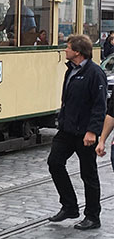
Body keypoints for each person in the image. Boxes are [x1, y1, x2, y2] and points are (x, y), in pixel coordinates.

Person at [47, 34, 106, 231]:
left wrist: (92, 131)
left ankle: (92, 216)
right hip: (67, 130)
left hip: (85, 133)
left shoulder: (95, 73)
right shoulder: (71, 71)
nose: (65, 50)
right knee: (54, 163)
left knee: (88, 174)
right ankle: (70, 206)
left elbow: (100, 106)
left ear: (77, 52)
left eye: (68, 47)